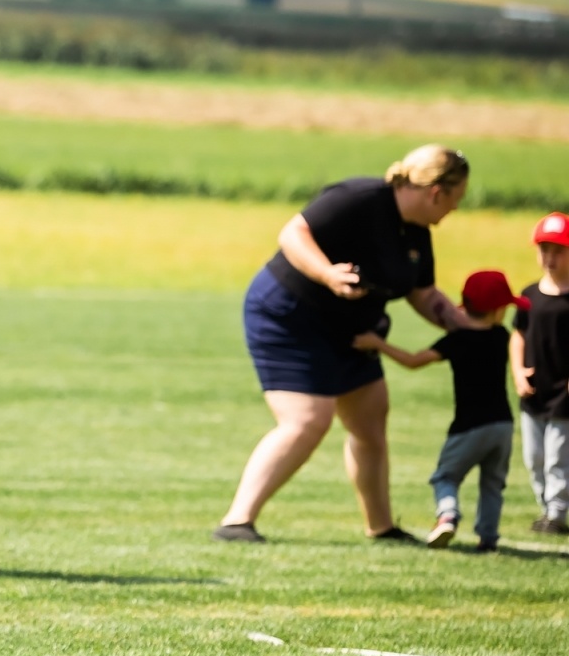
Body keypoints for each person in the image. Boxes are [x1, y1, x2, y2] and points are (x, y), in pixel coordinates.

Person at [215, 144, 476, 543]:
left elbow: (423, 295)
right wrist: (328, 274)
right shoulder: (360, 198)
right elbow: (293, 233)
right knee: (306, 419)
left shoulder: (417, 234)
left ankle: (382, 527)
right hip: (291, 315)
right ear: (435, 192)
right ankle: (237, 521)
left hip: (353, 327)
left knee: (370, 417)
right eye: (456, 199)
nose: (455, 209)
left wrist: (464, 323)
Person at [352, 270, 528, 552]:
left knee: (445, 477)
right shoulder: (500, 335)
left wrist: (378, 344)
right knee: (492, 484)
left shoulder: (456, 341)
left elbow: (412, 361)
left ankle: (447, 515)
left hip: (469, 426)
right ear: (497, 310)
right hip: (503, 426)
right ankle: (488, 538)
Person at [511, 213, 569, 536]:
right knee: (534, 456)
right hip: (534, 390)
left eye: (558, 250)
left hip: (564, 393)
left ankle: (557, 513)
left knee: (557, 456)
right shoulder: (529, 295)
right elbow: (518, 335)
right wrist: (518, 370)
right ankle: (546, 506)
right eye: (544, 249)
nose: (550, 257)